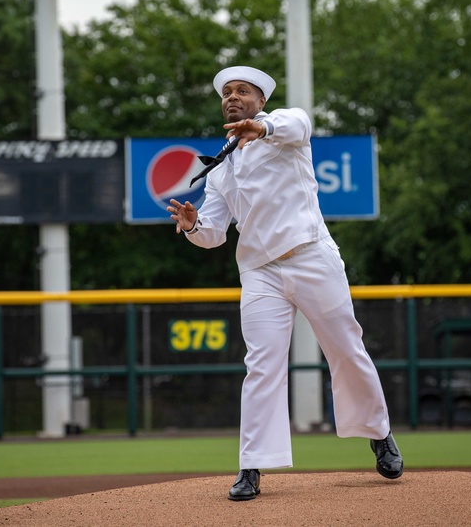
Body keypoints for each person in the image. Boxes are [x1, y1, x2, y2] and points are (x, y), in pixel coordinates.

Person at [167, 65, 403, 501]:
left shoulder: (285, 131)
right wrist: (194, 223)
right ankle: (251, 467)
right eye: (227, 93)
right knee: (261, 366)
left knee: (346, 348)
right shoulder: (220, 168)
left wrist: (264, 126)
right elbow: (215, 234)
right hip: (259, 270)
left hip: (311, 255)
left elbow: (299, 122)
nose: (232, 97)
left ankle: (379, 433)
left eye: (242, 91)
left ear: (261, 100)